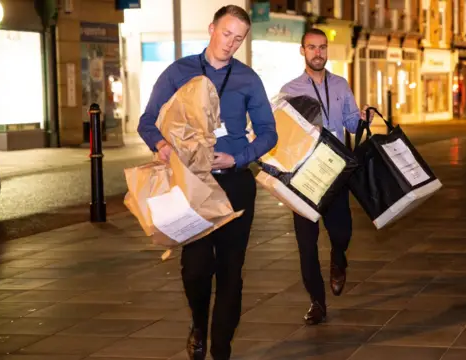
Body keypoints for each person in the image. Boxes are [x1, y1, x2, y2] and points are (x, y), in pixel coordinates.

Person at [137, 5, 277, 360]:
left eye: (239, 38)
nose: (231, 43)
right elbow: (147, 121)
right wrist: (162, 145)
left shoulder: (248, 79)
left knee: (231, 270)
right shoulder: (178, 71)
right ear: (212, 28)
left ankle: (221, 349)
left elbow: (268, 133)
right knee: (196, 268)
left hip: (234, 185)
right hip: (191, 185)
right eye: (227, 33)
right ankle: (199, 323)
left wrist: (240, 157)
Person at [279, 28, 371, 326]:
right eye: (312, 47)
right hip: (304, 174)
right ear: (302, 50)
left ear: (327, 50)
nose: (318, 53)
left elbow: (352, 125)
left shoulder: (341, 85)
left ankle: (338, 257)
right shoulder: (290, 90)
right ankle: (317, 302)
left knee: (342, 232)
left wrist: (363, 119)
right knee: (306, 243)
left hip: (336, 171)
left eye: (322, 47)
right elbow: (283, 133)